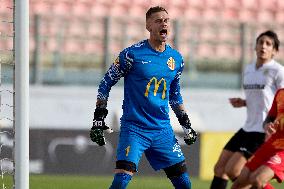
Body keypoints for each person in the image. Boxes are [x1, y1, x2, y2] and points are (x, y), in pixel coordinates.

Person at [89, 6, 197, 189]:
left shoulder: (176, 59)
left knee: (184, 183)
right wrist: (98, 117)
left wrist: (186, 123)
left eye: (166, 20)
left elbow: (175, 95)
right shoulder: (131, 55)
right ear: (148, 26)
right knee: (122, 179)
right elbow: (105, 83)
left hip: (162, 129)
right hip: (135, 128)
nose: (163, 23)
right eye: (158, 20)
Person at [210, 30, 284, 189]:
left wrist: (273, 126)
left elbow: (281, 102)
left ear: (275, 51)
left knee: (234, 172)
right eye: (260, 42)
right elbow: (260, 98)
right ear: (255, 46)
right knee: (220, 168)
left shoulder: (278, 71)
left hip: (262, 131)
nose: (263, 46)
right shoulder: (249, 69)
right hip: (247, 127)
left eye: (268, 44)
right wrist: (244, 102)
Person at [231, 88, 284, 189]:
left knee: (258, 180)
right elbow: (270, 118)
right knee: (240, 182)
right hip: (271, 144)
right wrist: (268, 125)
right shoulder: (280, 92)